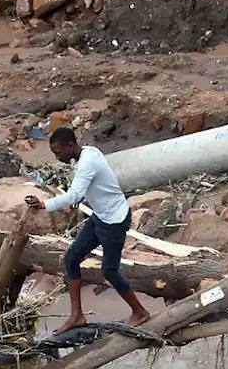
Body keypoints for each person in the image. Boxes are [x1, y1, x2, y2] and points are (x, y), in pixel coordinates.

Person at [24, 127, 150, 334]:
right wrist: (81, 197)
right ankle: (77, 316)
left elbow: (74, 195)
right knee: (71, 259)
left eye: (58, 152)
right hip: (100, 216)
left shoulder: (88, 162)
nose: (57, 157)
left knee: (109, 270)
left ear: (70, 145)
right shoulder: (86, 154)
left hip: (114, 221)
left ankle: (140, 312)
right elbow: (85, 189)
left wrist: (44, 204)